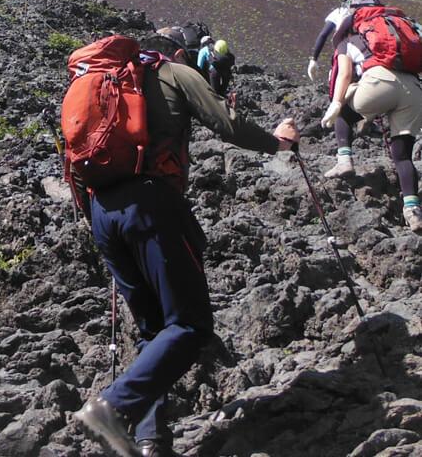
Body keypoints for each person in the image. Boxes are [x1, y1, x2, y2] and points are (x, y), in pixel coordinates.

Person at [73, 34, 299, 457]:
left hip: (103, 211)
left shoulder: (103, 86)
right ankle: (113, 407)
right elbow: (226, 123)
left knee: (153, 331)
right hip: (152, 205)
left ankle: (149, 441)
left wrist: (103, 224)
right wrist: (277, 141)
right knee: (190, 325)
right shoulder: (173, 71)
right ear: (177, 50)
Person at [320, 18, 422, 232]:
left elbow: (345, 75)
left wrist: (337, 102)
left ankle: (344, 161)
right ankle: (412, 211)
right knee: (402, 156)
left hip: (379, 83)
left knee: (344, 112)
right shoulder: (396, 41)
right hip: (414, 89)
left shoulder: (348, 42)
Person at [306, 0, 380, 81]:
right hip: (377, 57)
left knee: (338, 80)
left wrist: (314, 59)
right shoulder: (378, 14)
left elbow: (323, 35)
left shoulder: (340, 12)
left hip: (348, 56)